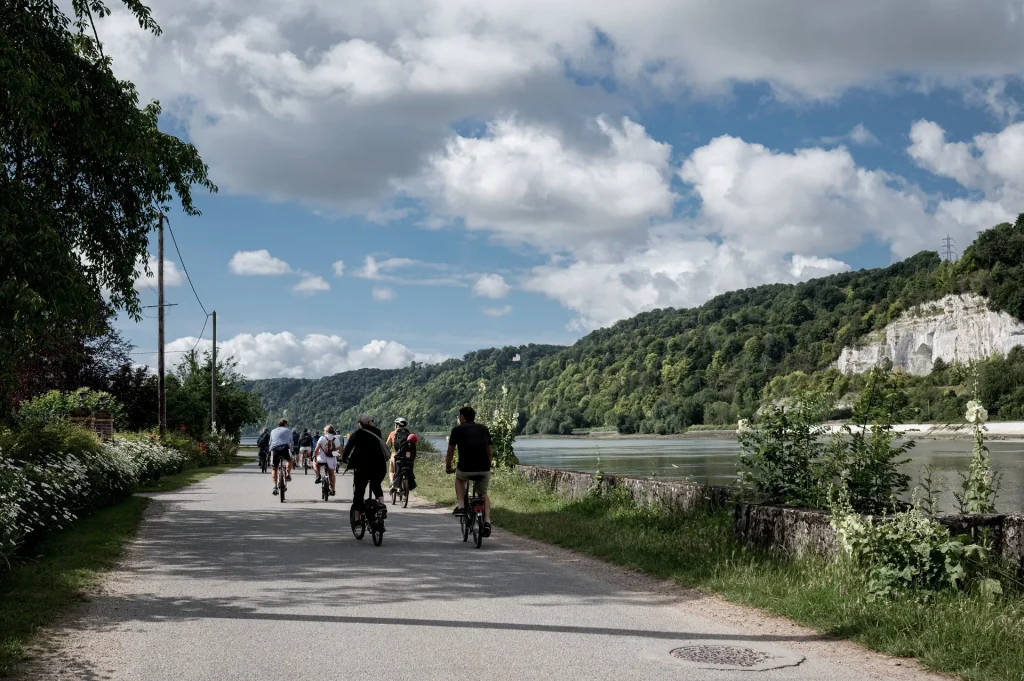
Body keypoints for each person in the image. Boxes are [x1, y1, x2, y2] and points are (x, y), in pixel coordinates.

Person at [446, 406, 492, 536]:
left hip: (465, 468)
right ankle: (487, 521)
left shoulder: (457, 430)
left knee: (459, 479)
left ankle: (461, 506)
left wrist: (448, 467)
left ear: (462, 418)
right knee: (483, 494)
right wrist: (488, 466)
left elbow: (450, 451)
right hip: (484, 468)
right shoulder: (484, 429)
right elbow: (489, 452)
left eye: (459, 416)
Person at [342, 413, 389, 523]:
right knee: (376, 484)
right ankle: (381, 505)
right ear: (369, 422)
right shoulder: (377, 432)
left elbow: (347, 449)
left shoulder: (357, 434)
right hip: (379, 466)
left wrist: (344, 459)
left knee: (359, 491)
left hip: (362, 467)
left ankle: (357, 518)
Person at [312, 425, 343, 495]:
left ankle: (318, 475)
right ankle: (333, 489)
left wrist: (314, 456)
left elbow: (316, 449)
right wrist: (335, 454)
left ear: (326, 431)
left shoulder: (322, 438)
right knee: (331, 474)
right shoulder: (335, 439)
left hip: (321, 459)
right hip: (331, 460)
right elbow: (340, 450)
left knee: (314, 463)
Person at [269, 418, 294, 495]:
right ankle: (288, 474)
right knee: (290, 459)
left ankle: (275, 487)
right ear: (285, 424)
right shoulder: (288, 430)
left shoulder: (273, 431)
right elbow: (291, 442)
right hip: (285, 448)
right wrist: (292, 451)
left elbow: (270, 442)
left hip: (274, 449)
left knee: (274, 468)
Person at [387, 417, 410, 489]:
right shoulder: (408, 433)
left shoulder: (392, 433)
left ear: (397, 425)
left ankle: (392, 483)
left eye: (395, 424)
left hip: (395, 455)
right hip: (406, 455)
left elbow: (386, 445)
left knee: (391, 470)